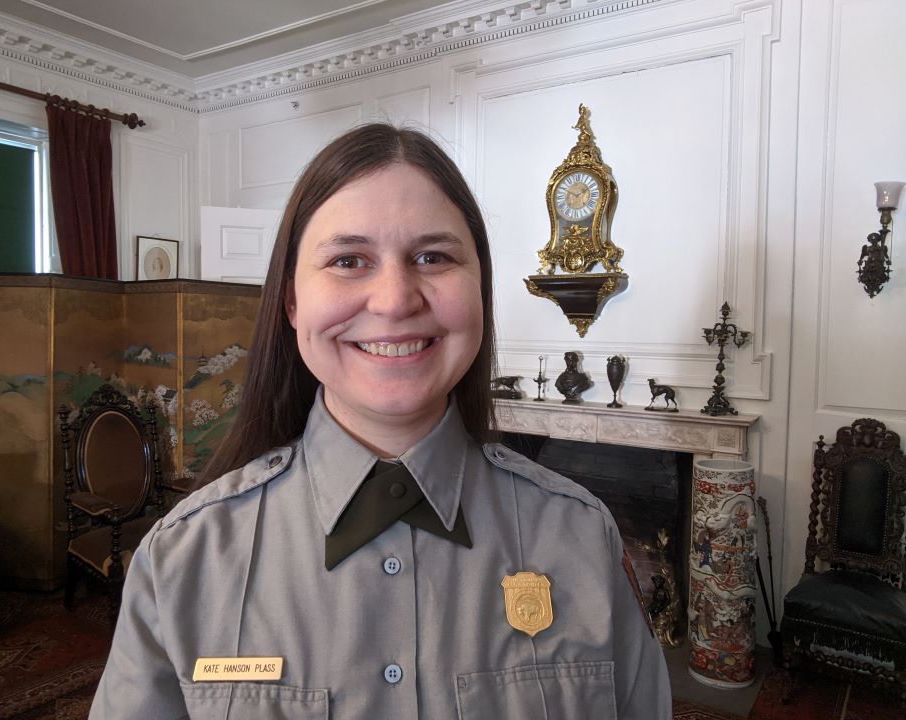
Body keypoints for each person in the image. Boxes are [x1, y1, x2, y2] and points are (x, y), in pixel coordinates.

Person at [90, 123, 671, 718]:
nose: (395, 300)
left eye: (433, 256)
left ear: (481, 291)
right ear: (292, 301)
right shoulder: (183, 558)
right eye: (348, 260)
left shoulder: (581, 536)